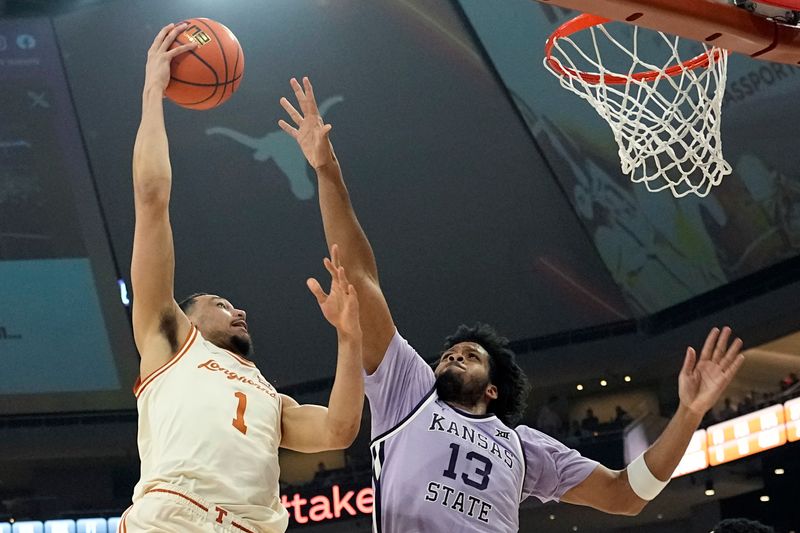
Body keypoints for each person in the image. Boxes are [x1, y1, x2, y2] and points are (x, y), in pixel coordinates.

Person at [279, 76, 746, 532]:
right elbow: (360, 280)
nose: (453, 355)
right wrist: (326, 168)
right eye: (449, 353)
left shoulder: (524, 448)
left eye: (469, 354)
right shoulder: (409, 391)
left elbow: (625, 495)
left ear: (493, 390)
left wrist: (688, 413)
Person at [122, 27, 364, 533]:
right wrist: (153, 90)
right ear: (184, 316)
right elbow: (151, 199)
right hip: (173, 517)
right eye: (219, 302)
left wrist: (348, 337)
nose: (239, 310)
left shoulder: (268, 396)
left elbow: (340, 429)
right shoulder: (167, 338)